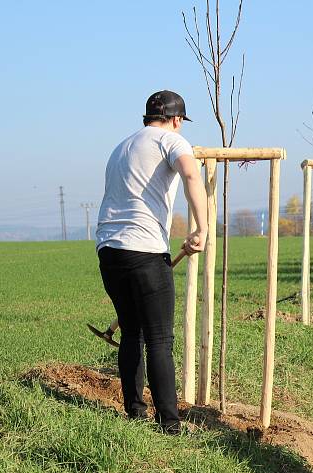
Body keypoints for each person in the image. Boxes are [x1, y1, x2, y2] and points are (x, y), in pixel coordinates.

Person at [95, 90, 208, 433]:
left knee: (132, 333)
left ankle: (134, 411)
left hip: (109, 250)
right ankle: (170, 423)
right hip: (144, 248)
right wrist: (202, 228)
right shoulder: (172, 142)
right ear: (176, 120)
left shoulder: (121, 147)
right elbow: (190, 174)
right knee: (160, 338)